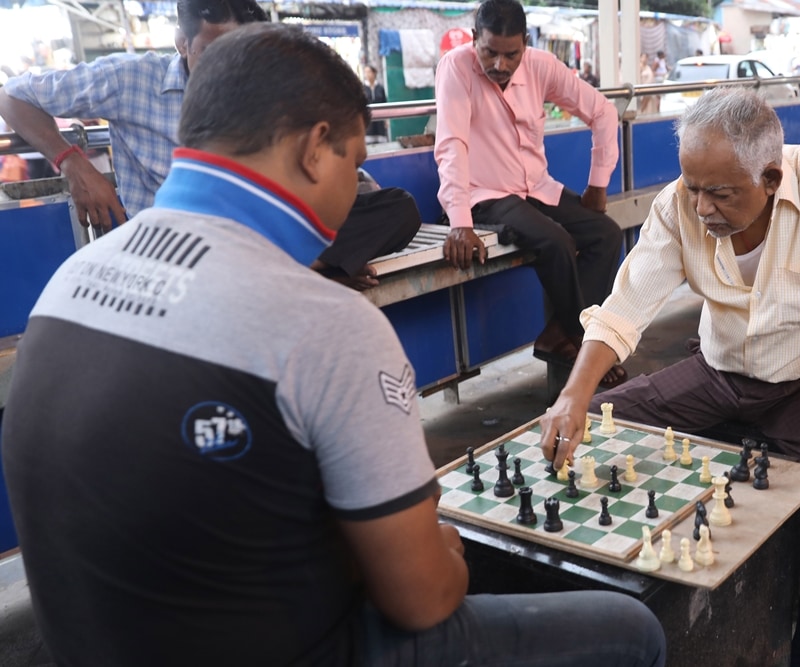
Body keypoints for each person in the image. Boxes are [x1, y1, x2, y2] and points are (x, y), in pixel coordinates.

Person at [1, 23, 667, 667]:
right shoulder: (326, 322)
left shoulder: (65, 286)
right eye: (355, 161)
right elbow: (426, 600)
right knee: (628, 627)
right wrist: (443, 546)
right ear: (316, 147)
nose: (356, 190)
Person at [539, 86, 800, 667]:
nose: (701, 207)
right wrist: (573, 396)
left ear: (772, 179)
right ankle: (621, 606)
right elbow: (624, 307)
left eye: (720, 194)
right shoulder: (681, 203)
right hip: (718, 371)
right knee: (595, 431)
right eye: (693, 187)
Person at [434, 0, 627, 386]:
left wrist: (598, 184)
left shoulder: (540, 65)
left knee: (605, 234)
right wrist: (460, 222)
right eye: (490, 52)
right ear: (475, 39)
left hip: (537, 189)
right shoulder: (456, 67)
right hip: (483, 195)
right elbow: (451, 145)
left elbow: (603, 111)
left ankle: (559, 332)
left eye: (511, 54)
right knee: (555, 241)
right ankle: (582, 340)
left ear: (525, 42)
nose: (500, 65)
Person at [0, 0, 267, 230]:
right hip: (162, 258)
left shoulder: (261, 89)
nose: (229, 69)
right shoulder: (132, 80)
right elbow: (10, 97)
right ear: (182, 43)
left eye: (240, 54)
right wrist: (72, 162)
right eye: (212, 52)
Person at [362, 64, 389, 142]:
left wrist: (386, 120)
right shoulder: (362, 88)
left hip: (380, 121)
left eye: (369, 72)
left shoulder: (380, 88)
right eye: (365, 72)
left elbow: (384, 103)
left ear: (374, 73)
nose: (367, 74)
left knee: (381, 142)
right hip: (369, 121)